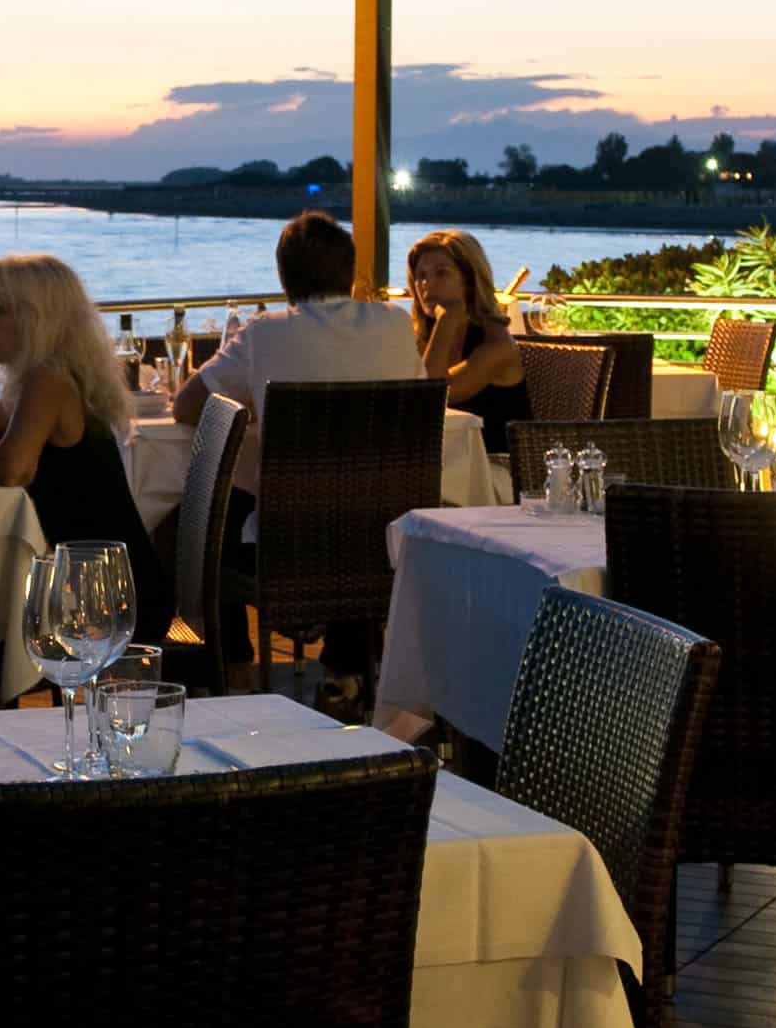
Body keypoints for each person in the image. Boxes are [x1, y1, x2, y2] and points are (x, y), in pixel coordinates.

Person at [174, 211, 422, 703]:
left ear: (282, 275)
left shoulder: (266, 333)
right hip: (390, 535)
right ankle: (349, 664)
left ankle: (235, 667)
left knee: (201, 522)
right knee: (357, 504)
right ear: (350, 272)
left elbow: (185, 407)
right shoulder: (396, 323)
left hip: (290, 544)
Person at [0, 253, 171, 644]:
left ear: (35, 319)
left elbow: (10, 470)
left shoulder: (48, 380)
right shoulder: (36, 376)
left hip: (107, 598)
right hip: (102, 581)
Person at [408, 229, 529, 454]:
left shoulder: (496, 344)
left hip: (494, 471)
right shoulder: (426, 336)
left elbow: (429, 398)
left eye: (441, 273)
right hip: (447, 462)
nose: (426, 283)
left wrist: (447, 319)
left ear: (470, 281)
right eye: (420, 274)